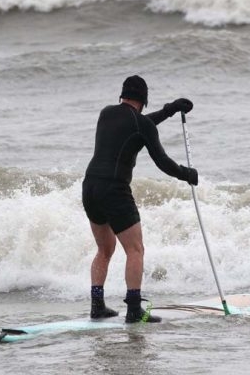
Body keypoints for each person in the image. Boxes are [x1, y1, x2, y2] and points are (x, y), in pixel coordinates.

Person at [82, 75, 198, 323]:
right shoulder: (141, 124)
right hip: (114, 189)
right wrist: (186, 174)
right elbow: (162, 162)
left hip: (90, 186)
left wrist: (168, 111)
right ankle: (134, 309)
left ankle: (97, 305)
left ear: (122, 95)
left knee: (104, 249)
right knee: (135, 249)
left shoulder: (106, 113)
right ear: (144, 100)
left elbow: (139, 124)